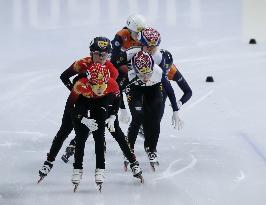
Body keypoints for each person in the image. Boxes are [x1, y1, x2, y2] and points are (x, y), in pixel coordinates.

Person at [112, 27, 192, 170]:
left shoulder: (159, 63)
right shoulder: (131, 55)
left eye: (155, 46)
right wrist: (122, 108)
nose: (151, 49)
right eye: (148, 46)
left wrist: (175, 109)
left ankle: (151, 148)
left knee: (154, 119)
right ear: (141, 43)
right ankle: (128, 149)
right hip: (134, 85)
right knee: (137, 117)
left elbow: (168, 88)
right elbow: (113, 66)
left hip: (154, 86)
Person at [111, 14, 146, 124]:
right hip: (120, 64)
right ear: (129, 30)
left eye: (141, 33)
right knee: (116, 85)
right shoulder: (121, 35)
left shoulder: (142, 35)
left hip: (133, 65)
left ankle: (140, 120)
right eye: (136, 33)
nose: (138, 36)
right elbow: (114, 60)